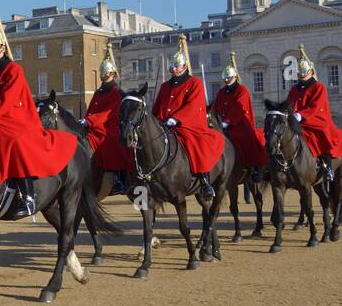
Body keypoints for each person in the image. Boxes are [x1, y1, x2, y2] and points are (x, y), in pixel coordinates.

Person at [0, 7, 78, 218]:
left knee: (13, 141)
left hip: (17, 119)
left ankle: (28, 196)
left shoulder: (13, 70)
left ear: (1, 48)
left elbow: (7, 101)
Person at [150, 34, 224, 198]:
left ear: (184, 66)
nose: (173, 69)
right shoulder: (164, 86)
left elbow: (193, 106)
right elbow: (156, 108)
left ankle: (204, 180)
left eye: (177, 66)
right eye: (172, 66)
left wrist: (176, 118)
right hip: (165, 125)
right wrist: (153, 122)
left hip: (186, 125)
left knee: (194, 144)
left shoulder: (194, 83)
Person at [286, 44, 341, 184]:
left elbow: (316, 107)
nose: (301, 74)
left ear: (310, 71)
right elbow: (289, 103)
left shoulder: (318, 87)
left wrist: (301, 115)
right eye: (300, 72)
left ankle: (328, 166)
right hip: (297, 119)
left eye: (304, 72)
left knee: (322, 134)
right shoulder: (294, 89)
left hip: (316, 119)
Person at [81, 50, 133, 194]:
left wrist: (89, 121)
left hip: (108, 127)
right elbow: (91, 109)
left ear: (111, 74)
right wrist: (85, 120)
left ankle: (117, 178)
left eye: (105, 73)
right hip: (95, 125)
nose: (102, 75)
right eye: (102, 73)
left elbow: (107, 114)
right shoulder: (99, 91)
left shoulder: (116, 91)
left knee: (110, 143)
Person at [212, 51, 266, 183]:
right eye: (225, 79)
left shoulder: (242, 90)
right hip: (222, 125)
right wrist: (216, 120)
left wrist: (228, 122)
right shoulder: (221, 92)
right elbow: (216, 108)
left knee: (245, 140)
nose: (226, 81)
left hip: (239, 125)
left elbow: (239, 109)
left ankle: (252, 168)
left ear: (234, 77)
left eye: (228, 78)